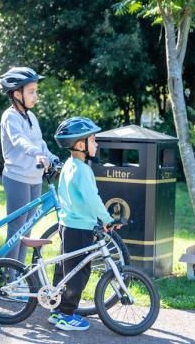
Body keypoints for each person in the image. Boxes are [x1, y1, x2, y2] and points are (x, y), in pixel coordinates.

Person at [49, 116, 119, 331]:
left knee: (65, 269)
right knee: (78, 274)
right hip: (79, 228)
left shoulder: (69, 165)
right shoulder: (83, 170)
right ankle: (66, 315)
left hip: (67, 225)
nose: (96, 144)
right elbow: (92, 199)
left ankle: (57, 308)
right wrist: (107, 219)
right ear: (80, 145)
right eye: (93, 139)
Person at [0, 67, 59, 264]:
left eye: (36, 91)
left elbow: (39, 143)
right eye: (31, 92)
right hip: (17, 178)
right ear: (17, 94)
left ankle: (19, 272)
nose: (36, 96)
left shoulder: (31, 117)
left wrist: (52, 157)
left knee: (28, 229)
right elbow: (20, 141)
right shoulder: (10, 116)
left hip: (34, 178)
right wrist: (38, 155)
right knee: (17, 229)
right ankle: (8, 275)